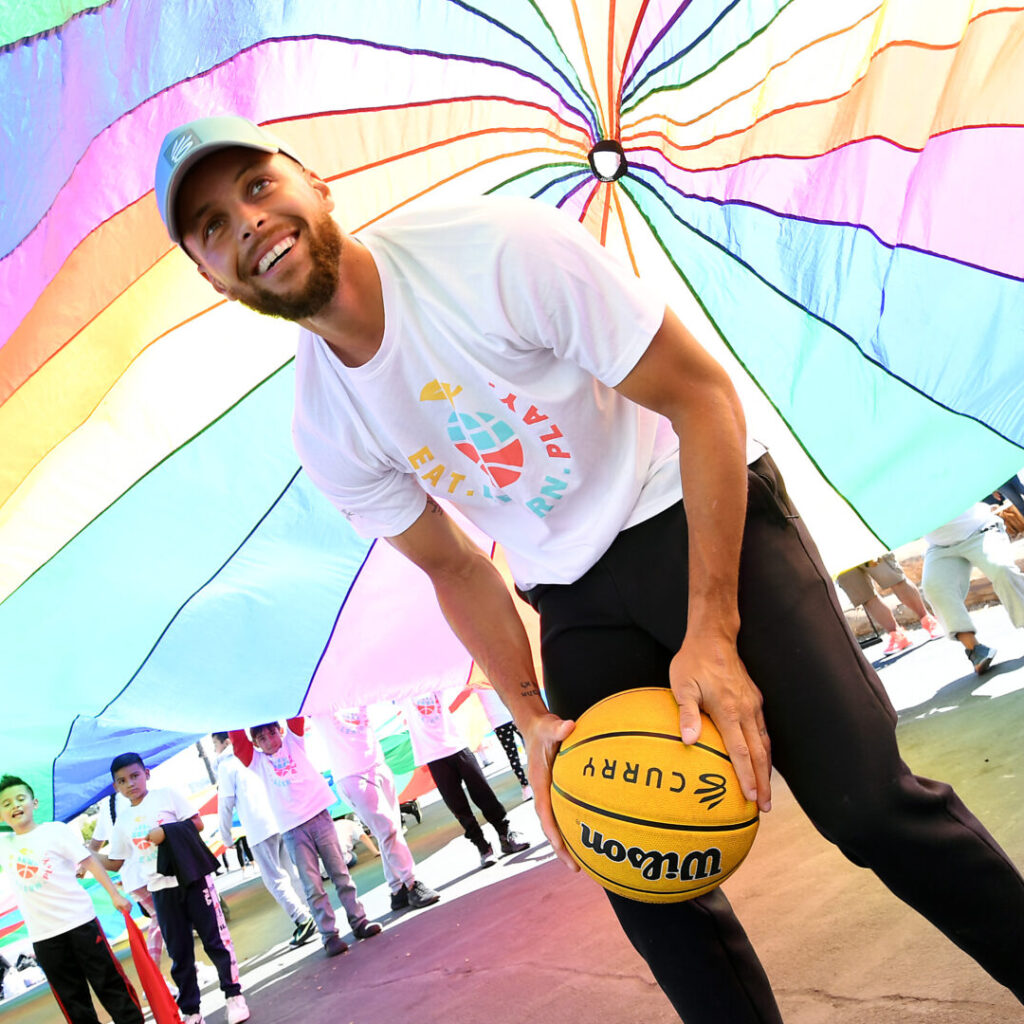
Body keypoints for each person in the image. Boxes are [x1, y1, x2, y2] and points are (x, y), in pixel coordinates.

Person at [155, 116, 1024, 1021]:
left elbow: (702, 398)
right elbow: (455, 568)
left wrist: (712, 632)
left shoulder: (492, 249)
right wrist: (529, 716)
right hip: (571, 589)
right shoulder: (324, 425)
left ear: (315, 185)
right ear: (210, 276)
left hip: (688, 499)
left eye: (258, 188)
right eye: (212, 225)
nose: (247, 222)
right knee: (642, 876)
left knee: (868, 808)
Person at [100, 754, 249, 1024]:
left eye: (135, 776)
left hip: (192, 879)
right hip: (160, 889)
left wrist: (166, 832)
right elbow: (115, 861)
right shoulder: (122, 822)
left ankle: (233, 996)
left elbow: (198, 824)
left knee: (215, 940)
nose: (130, 784)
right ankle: (191, 1011)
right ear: (115, 787)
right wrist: (86, 858)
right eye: (122, 781)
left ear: (146, 773)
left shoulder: (167, 795)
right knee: (179, 953)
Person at [228, 719, 382, 956]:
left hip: (319, 816)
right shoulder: (257, 762)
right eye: (262, 738)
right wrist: (234, 713)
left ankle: (359, 921)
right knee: (312, 885)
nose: (269, 740)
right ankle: (329, 935)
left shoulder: (294, 743)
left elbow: (295, 716)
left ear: (279, 731)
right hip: (293, 829)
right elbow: (238, 743)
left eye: (272, 733)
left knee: (340, 873)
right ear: (256, 743)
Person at [0, 775, 143, 1024]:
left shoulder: (54, 831)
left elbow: (89, 862)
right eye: (6, 803)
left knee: (109, 984)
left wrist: (114, 894)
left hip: (80, 923)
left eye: (20, 798)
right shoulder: (4, 845)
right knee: (72, 1000)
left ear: (34, 803)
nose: (15, 805)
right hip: (44, 937)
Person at [312, 708, 441, 912]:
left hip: (378, 766)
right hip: (351, 775)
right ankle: (412, 883)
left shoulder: (357, 690)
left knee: (391, 831)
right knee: (387, 829)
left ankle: (397, 890)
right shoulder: (319, 702)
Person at [398, 692, 530, 868]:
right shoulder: (402, 694)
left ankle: (505, 835)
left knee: (484, 793)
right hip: (434, 756)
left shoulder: (434, 682)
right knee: (458, 806)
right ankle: (483, 847)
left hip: (457, 747)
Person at [210, 733, 316, 947]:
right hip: (278, 818)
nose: (214, 750)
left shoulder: (226, 766)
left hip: (257, 827)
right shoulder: (255, 755)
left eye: (215, 744)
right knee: (290, 871)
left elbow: (225, 804)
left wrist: (225, 835)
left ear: (226, 742)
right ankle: (311, 911)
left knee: (274, 878)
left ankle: (302, 919)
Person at [920, 502, 1024, 675]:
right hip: (940, 546)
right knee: (934, 587)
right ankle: (974, 649)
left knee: (1001, 569)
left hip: (980, 529)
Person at [87, 792, 164, 969]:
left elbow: (94, 844)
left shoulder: (107, 805)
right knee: (162, 919)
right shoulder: (132, 798)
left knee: (164, 920)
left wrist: (85, 862)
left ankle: (168, 973)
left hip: (132, 877)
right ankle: (155, 974)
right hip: (148, 871)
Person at [835, 552, 942, 653]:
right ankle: (897, 635)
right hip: (835, 555)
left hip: (861, 541)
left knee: (895, 579)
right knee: (865, 597)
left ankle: (928, 620)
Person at [472, 683, 532, 801]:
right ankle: (526, 786)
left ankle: (530, 783)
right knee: (515, 754)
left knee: (527, 747)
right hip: (503, 720)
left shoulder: (483, 680)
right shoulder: (477, 682)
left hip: (511, 716)